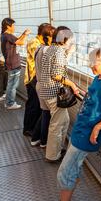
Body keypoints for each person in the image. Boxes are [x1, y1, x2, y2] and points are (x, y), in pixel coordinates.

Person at [40, 48, 101, 201]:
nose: (91, 65)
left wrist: (98, 127)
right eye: (91, 61)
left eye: (96, 62)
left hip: (86, 137)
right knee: (72, 170)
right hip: (79, 132)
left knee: (65, 172)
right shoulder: (98, 79)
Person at [38, 26, 78, 162]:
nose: (71, 41)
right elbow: (56, 74)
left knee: (64, 120)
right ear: (64, 39)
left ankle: (59, 149)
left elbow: (56, 66)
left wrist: (69, 53)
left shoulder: (50, 49)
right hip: (54, 93)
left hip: (46, 91)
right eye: (70, 38)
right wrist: (72, 84)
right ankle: (52, 156)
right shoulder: (59, 52)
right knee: (56, 125)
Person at [23, 23, 55, 137]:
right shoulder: (34, 43)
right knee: (33, 105)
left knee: (38, 106)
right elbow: (41, 57)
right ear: (45, 34)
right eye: (51, 34)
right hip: (33, 78)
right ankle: (28, 128)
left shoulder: (42, 44)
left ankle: (34, 129)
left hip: (38, 78)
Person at [1, 18, 31, 110]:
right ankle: (10, 103)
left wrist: (23, 34)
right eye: (13, 25)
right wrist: (25, 34)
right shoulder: (7, 35)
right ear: (8, 26)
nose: (14, 27)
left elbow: (17, 40)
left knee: (10, 84)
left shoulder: (4, 35)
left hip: (10, 63)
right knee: (13, 85)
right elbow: (21, 42)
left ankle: (8, 102)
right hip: (13, 63)